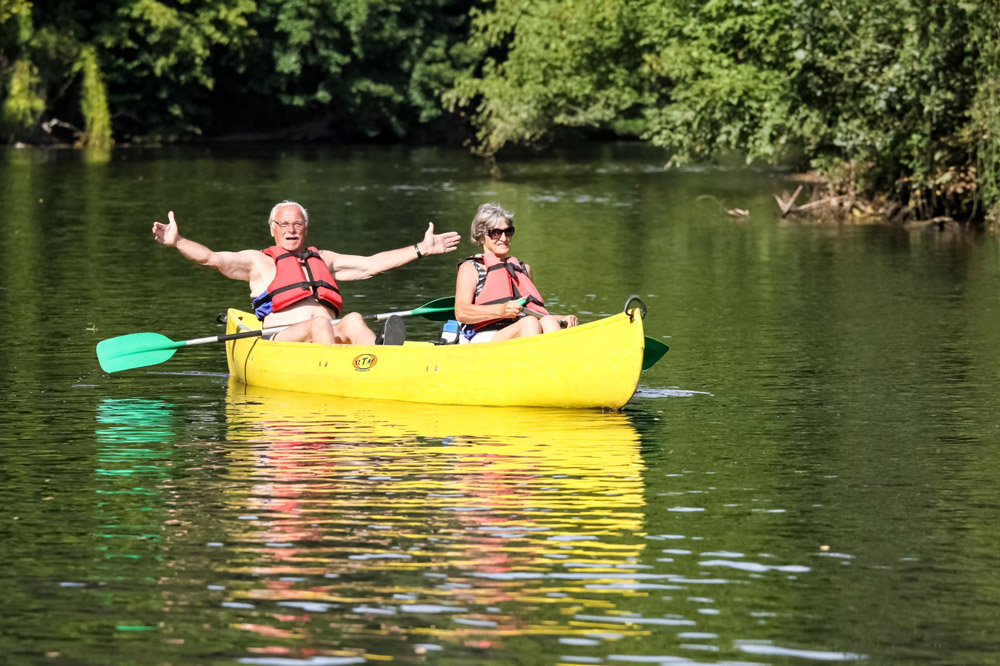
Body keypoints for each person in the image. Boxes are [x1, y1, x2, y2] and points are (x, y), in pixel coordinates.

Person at [152, 201, 461, 345]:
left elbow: (370, 265)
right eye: (284, 224)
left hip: (327, 334)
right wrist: (177, 241)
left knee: (352, 319)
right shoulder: (257, 261)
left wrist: (421, 249)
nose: (291, 230)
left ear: (306, 229)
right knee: (319, 325)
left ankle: (379, 364)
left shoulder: (322, 259)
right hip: (283, 340)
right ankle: (341, 372)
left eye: (297, 224)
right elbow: (210, 258)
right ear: (272, 229)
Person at [454, 202, 577, 343]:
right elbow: (461, 312)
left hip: (526, 329)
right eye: (496, 233)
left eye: (508, 231)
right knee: (530, 322)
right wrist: (501, 310)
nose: (504, 238)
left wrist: (562, 319)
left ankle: (558, 360)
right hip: (486, 336)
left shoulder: (524, 269)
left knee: (548, 320)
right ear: (482, 236)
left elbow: (531, 311)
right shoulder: (470, 267)